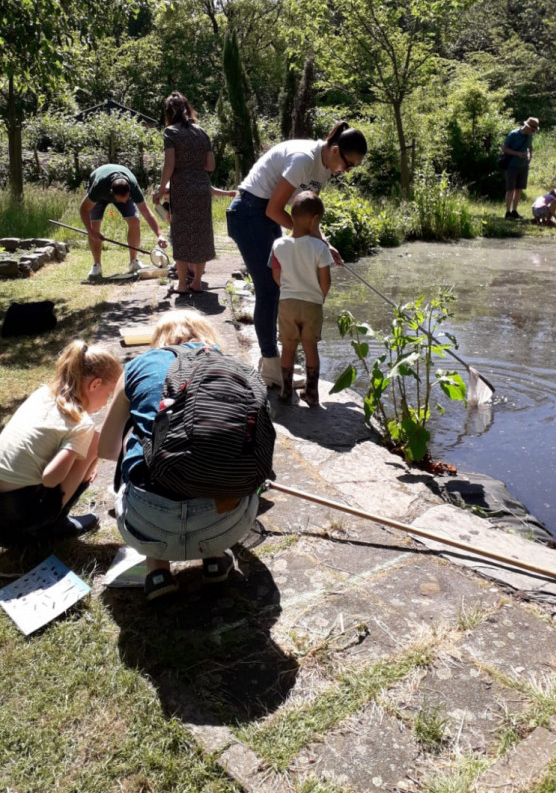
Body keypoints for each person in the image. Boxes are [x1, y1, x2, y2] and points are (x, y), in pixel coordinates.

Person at [98, 309, 263, 601]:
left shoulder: (138, 367)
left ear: (160, 341)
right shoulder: (238, 369)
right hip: (225, 525)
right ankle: (214, 557)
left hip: (149, 525)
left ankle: (157, 571)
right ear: (207, 337)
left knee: (136, 444)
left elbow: (107, 449)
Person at [226, 121, 367, 387]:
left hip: (263, 214)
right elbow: (275, 210)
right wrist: (313, 239)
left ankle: (275, 360)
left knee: (280, 285)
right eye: (349, 165)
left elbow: (306, 215)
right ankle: (271, 368)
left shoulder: (323, 169)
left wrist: (324, 243)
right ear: (336, 151)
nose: (346, 171)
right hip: (248, 212)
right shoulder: (305, 158)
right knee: (269, 287)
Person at [0, 340, 122, 541]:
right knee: (95, 443)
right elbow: (51, 478)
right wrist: (82, 467)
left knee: (87, 444)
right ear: (95, 384)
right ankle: (53, 523)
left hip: (3, 511)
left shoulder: (42, 394)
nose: (106, 402)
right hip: (19, 518)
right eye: (108, 395)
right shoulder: (81, 424)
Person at [269, 191, 333, 406]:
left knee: (288, 347)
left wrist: (288, 290)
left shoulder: (278, 245)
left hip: (287, 303)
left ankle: (286, 392)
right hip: (312, 304)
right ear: (315, 220)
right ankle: (312, 393)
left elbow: (276, 275)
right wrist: (319, 297)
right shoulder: (320, 247)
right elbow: (325, 281)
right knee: (310, 348)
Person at [153, 92, 216, 295]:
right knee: (202, 232)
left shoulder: (170, 133)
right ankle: (197, 282)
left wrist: (161, 190)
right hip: (202, 189)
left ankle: (181, 284)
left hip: (182, 190)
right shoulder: (202, 132)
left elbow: (169, 165)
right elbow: (210, 166)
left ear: (169, 113)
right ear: (188, 109)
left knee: (181, 234)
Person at [80, 163, 167, 281]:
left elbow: (146, 212)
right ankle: (96, 266)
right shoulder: (99, 188)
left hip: (121, 186)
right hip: (100, 187)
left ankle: (134, 262)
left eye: (127, 198)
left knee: (135, 220)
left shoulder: (133, 186)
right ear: (112, 193)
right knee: (94, 225)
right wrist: (90, 231)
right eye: (122, 199)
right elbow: (83, 209)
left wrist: (159, 235)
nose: (125, 201)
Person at [501, 117, 540, 219]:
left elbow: (530, 146)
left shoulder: (530, 136)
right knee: (510, 189)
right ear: (527, 126)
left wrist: (529, 155)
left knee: (518, 189)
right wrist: (517, 154)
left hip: (523, 166)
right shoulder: (513, 134)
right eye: (532, 130)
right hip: (512, 165)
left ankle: (514, 211)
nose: (532, 132)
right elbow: (504, 148)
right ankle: (507, 212)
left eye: (534, 130)